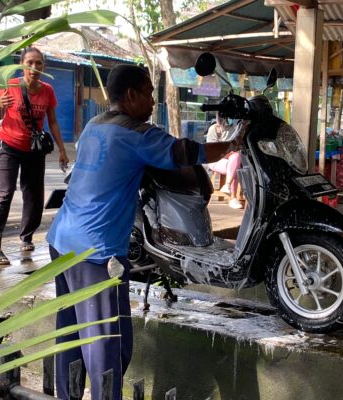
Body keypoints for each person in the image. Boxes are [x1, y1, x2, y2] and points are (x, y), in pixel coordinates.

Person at [46, 64, 242, 400]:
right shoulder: (138, 134)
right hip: (96, 251)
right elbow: (184, 153)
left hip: (60, 241)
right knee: (106, 343)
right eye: (150, 92)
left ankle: (66, 395)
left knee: (71, 334)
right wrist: (232, 144)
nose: (154, 100)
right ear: (132, 94)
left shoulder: (94, 125)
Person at [0, 47, 69, 265]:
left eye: (39, 63)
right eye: (29, 63)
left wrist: (62, 149)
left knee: (33, 193)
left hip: (34, 148)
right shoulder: (10, 85)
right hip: (9, 146)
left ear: (44, 66)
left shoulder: (48, 90)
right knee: (4, 193)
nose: (34, 68)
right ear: (22, 65)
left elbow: (52, 121)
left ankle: (27, 236)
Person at [206, 113, 243, 209]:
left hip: (232, 160)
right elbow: (211, 152)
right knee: (235, 164)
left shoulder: (236, 129)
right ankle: (233, 197)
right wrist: (226, 153)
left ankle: (227, 185)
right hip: (215, 160)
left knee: (236, 158)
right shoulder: (214, 129)